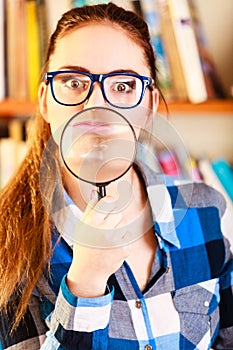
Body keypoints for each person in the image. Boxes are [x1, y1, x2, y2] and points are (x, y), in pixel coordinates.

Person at [0, 3, 232, 350]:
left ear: (150, 105)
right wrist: (85, 283)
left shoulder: (205, 210)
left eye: (123, 86)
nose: (96, 104)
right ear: (46, 101)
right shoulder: (8, 240)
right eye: (74, 82)